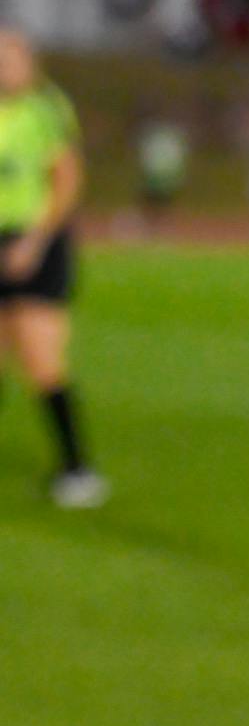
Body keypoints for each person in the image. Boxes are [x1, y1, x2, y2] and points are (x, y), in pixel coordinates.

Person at [0, 28, 103, 507]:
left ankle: (77, 468)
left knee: (42, 361)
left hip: (36, 242)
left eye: (10, 56)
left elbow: (66, 180)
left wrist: (34, 241)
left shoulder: (45, 109)